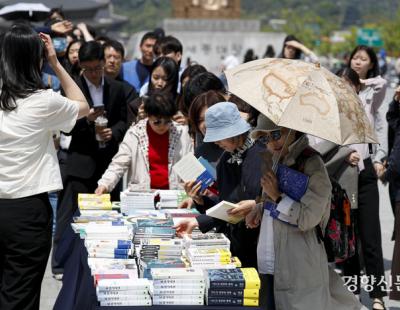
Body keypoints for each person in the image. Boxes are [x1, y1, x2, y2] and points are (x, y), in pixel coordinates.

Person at [0, 24, 89, 310]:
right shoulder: (43, 102)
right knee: (21, 295)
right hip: (27, 210)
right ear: (35, 59)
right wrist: (55, 61)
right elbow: (82, 104)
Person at [245, 114, 362, 310]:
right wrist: (259, 208)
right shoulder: (275, 159)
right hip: (270, 261)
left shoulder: (312, 164)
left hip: (299, 266)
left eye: (276, 134)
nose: (271, 142)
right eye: (264, 138)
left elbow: (310, 217)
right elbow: (270, 202)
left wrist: (278, 197)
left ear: (292, 131)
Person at [52, 40, 128, 275]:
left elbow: (124, 121)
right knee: (68, 216)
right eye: (89, 69)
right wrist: (88, 121)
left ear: (104, 64)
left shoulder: (116, 88)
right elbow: (65, 128)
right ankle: (60, 263)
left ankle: (103, 261)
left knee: (108, 216)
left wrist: (111, 132)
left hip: (108, 165)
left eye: (97, 68)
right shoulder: (72, 89)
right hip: (79, 162)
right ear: (81, 67)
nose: (94, 73)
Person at [174, 102, 263, 268]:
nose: (215, 143)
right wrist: (201, 202)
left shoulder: (262, 154)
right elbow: (227, 208)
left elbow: (273, 201)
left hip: (259, 246)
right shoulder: (225, 160)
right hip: (234, 245)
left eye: (219, 137)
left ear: (234, 133)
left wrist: (256, 205)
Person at [345, 45, 388, 310]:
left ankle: (377, 295)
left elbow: (382, 81)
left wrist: (379, 159)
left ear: (371, 64)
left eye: (363, 59)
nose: (357, 61)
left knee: (371, 236)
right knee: (348, 237)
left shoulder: (373, 93)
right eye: (354, 58)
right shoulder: (340, 97)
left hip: (366, 173)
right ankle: (350, 293)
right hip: (344, 173)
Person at [95, 92, 193, 193]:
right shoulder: (135, 133)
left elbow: (190, 169)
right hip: (142, 196)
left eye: (168, 121)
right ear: (148, 116)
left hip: (174, 196)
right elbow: (119, 164)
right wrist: (105, 185)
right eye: (157, 122)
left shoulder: (181, 133)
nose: (163, 126)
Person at [132, 57, 179, 124]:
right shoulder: (136, 105)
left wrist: (186, 122)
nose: (159, 83)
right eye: (156, 78)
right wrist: (139, 119)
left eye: (165, 79)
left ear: (173, 81)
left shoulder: (182, 104)